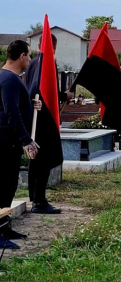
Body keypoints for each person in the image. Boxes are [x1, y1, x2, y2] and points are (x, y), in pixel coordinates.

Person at [24, 34, 74, 214]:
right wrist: (64, 96)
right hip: (43, 120)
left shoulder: (32, 63)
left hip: (35, 118)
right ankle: (39, 200)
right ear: (54, 46)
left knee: (37, 160)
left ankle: (37, 198)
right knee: (45, 159)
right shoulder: (46, 63)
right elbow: (43, 91)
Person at [0, 40, 40, 250]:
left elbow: (16, 106)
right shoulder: (9, 79)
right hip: (5, 142)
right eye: (29, 55)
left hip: (10, 143)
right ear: (22, 56)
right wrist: (26, 140)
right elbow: (10, 112)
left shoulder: (11, 78)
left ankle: (4, 227)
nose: (30, 60)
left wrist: (31, 105)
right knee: (3, 186)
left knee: (9, 187)